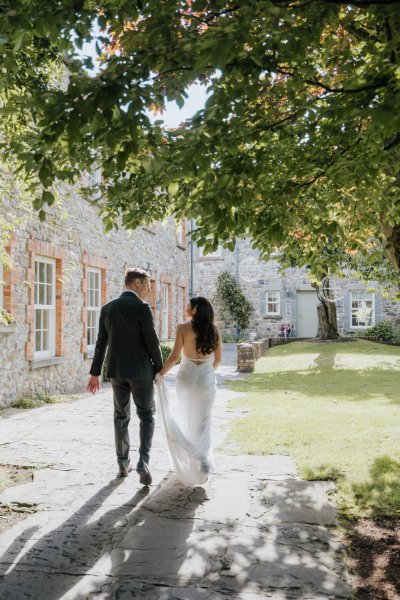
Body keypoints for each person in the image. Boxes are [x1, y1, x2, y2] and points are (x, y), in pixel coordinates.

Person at [87, 268, 163, 486]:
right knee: (147, 414)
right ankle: (143, 462)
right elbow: (152, 342)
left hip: (116, 372)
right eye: (148, 285)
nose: (149, 290)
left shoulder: (107, 308)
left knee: (120, 416)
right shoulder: (142, 308)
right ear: (137, 283)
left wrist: (94, 373)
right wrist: (159, 369)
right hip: (141, 372)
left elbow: (101, 343)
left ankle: (122, 464)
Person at [156, 296, 222, 486]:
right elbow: (217, 361)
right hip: (206, 379)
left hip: (185, 378)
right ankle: (202, 459)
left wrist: (160, 373)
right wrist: (206, 372)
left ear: (194, 310)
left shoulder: (182, 328)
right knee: (203, 419)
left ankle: (192, 456)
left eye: (188, 305)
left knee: (186, 415)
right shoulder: (214, 330)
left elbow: (175, 356)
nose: (185, 307)